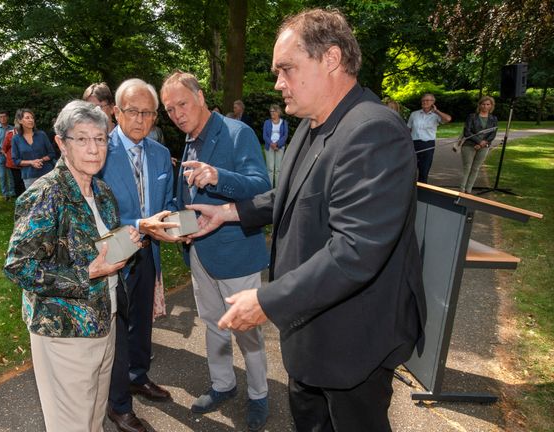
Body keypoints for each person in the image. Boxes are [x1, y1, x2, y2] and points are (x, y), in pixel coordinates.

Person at [188, 10, 426, 431]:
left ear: (331, 59)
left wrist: (265, 300)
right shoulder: (314, 123)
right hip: (311, 332)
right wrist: (229, 212)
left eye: (286, 69)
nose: (278, 83)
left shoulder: (374, 130)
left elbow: (355, 251)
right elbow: (293, 194)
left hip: (352, 343)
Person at [5, 100, 141, 432]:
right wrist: (88, 273)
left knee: (93, 419)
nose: (94, 149)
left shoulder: (102, 192)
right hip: (64, 333)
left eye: (100, 139)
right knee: (72, 425)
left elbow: (97, 249)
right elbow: (18, 266)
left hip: (103, 322)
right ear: (61, 143)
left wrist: (126, 241)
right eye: (82, 139)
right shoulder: (46, 194)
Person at [160, 71, 271, 431]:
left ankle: (259, 394)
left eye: (182, 103)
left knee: (246, 330)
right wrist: (180, 228)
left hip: (236, 254)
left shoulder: (238, 133)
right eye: (170, 108)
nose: (177, 113)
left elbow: (261, 189)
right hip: (200, 255)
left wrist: (218, 176)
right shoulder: (190, 141)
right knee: (212, 324)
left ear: (200, 96)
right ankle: (224, 384)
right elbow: (191, 201)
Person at [98, 79, 177, 432]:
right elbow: (95, 211)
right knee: (116, 328)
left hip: (148, 252)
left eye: (148, 113)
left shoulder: (160, 154)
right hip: (114, 249)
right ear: (116, 111)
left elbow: (170, 204)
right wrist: (139, 225)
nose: (140, 120)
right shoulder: (99, 151)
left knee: (142, 321)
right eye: (132, 111)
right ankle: (118, 405)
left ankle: (138, 376)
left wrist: (177, 225)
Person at [407, 93, 451, 183]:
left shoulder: (436, 115)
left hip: (428, 145)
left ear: (433, 102)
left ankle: (421, 192)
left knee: (424, 170)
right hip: (414, 144)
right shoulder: (414, 114)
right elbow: (408, 129)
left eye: (427, 100)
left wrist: (437, 111)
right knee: (410, 170)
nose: (424, 102)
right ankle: (409, 191)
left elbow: (448, 119)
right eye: (423, 100)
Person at [459, 96, 498, 194]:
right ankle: (462, 189)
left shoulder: (493, 118)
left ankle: (469, 190)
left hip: (484, 146)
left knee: (476, 168)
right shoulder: (472, 116)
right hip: (469, 145)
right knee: (467, 167)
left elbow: (492, 134)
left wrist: (481, 144)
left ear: (491, 106)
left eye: (488, 104)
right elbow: (467, 132)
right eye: (483, 104)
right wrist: (478, 142)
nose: (485, 106)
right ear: (479, 105)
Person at [11, 109, 56, 188]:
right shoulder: (16, 139)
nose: (31, 120)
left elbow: (52, 153)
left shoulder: (42, 135)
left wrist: (41, 160)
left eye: (32, 118)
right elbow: (15, 160)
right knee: (34, 200)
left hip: (47, 174)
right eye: (27, 118)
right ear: (20, 121)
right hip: (29, 177)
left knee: (50, 200)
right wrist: (31, 162)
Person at [0, 111, 15, 201]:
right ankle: (5, 193)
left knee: (11, 175)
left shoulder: (13, 129)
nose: (3, 118)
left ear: (7, 117)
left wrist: (7, 152)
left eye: (4, 116)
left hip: (10, 155)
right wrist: (2, 150)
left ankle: (13, 192)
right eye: (1, 117)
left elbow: (14, 142)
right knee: (2, 176)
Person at [262, 104, 288, 186]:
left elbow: (285, 135)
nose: (272, 113)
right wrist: (272, 144)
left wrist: (277, 144)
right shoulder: (267, 122)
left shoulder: (284, 122)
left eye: (274, 111)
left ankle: (277, 189)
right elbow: (264, 135)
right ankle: (269, 188)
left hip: (279, 147)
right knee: (270, 169)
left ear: (278, 112)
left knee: (278, 169)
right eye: (271, 111)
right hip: (269, 146)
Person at [1, 125, 25, 197]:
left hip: (26, 162)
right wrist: (8, 156)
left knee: (24, 181)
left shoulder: (27, 133)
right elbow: (4, 148)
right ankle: (19, 198)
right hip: (14, 163)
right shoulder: (10, 134)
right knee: (17, 181)